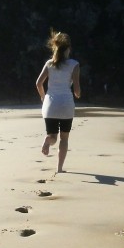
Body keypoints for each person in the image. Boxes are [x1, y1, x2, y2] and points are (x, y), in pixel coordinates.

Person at [35, 30, 81, 173]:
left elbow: (38, 83)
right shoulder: (74, 64)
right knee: (64, 138)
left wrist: (43, 97)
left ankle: (48, 140)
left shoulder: (49, 64)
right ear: (68, 49)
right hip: (66, 105)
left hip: (50, 105)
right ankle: (59, 168)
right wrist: (78, 93)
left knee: (53, 136)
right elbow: (77, 91)